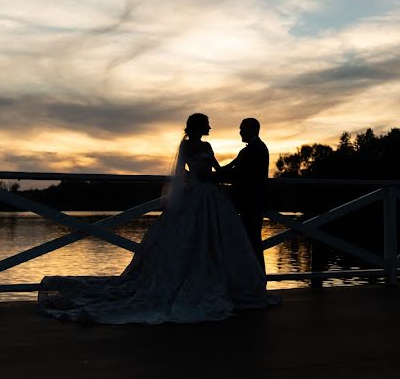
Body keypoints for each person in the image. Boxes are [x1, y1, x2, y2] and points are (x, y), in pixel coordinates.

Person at [37, 113, 275, 324]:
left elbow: (221, 170)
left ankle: (240, 284)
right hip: (198, 194)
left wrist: (212, 177)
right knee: (190, 241)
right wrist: (201, 179)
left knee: (219, 241)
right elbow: (184, 173)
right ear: (198, 127)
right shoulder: (186, 148)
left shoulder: (219, 146)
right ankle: (204, 282)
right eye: (207, 124)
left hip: (212, 195)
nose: (210, 128)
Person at [218, 118, 269, 272]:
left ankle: (258, 280)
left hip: (250, 203)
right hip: (250, 203)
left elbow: (235, 172)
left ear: (252, 129)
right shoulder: (253, 148)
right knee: (250, 242)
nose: (240, 132)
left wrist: (207, 176)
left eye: (242, 129)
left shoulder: (254, 149)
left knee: (252, 242)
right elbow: (229, 168)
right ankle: (253, 280)